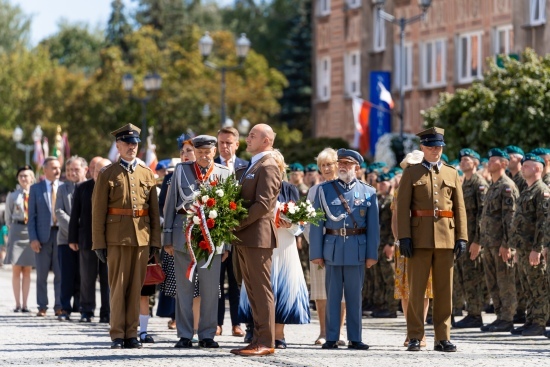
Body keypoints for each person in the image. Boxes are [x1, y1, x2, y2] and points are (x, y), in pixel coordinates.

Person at [396, 127, 467, 353]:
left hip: (446, 237)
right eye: (431, 147)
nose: (435, 151)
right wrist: (404, 237)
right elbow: (402, 208)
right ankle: (415, 336)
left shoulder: (451, 173)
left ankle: (442, 337)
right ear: (422, 148)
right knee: (417, 290)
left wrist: (462, 236)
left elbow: (460, 208)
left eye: (438, 147)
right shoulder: (411, 173)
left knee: (444, 291)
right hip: (419, 238)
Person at [92, 123, 161, 349]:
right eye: (127, 143)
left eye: (135, 144)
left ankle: (132, 333)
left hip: (141, 237)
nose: (132, 147)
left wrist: (155, 242)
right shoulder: (107, 174)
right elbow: (98, 211)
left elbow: (153, 211)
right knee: (118, 287)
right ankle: (117, 334)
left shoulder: (146, 173)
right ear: (118, 146)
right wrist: (99, 243)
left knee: (136, 288)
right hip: (116, 238)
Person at [163, 135, 231, 349]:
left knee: (211, 290)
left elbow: (230, 210)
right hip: (183, 235)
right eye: (199, 151)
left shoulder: (225, 173)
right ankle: (184, 334)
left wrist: (227, 244)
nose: (203, 155)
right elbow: (170, 204)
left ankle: (207, 335)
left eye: (207, 152)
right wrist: (167, 239)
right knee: (184, 288)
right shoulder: (181, 171)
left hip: (213, 237)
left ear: (214, 152)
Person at [238, 149, 310, 349]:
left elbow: (301, 221)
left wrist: (292, 224)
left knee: (283, 287)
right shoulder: (256, 184)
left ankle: (279, 334)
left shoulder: (290, 189)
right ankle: (256, 329)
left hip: (284, 243)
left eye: (278, 163)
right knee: (260, 287)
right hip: (263, 240)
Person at [310, 148, 379, 350]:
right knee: (332, 295)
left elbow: (374, 227)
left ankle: (355, 338)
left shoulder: (368, 192)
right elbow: (317, 224)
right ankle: (331, 337)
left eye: (348, 164)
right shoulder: (324, 190)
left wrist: (371, 254)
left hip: (357, 249)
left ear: (356, 167)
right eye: (341, 163)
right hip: (332, 248)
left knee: (354, 296)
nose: (343, 167)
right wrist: (316, 252)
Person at [229, 124, 282, 357]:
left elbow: (263, 205)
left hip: (257, 235)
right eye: (248, 134)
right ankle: (257, 338)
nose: (247, 139)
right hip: (246, 236)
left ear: (266, 140)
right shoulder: (253, 164)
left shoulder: (268, 165)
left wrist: (236, 224)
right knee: (251, 289)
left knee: (261, 290)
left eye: (253, 135)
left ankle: (266, 341)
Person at [303, 148, 348, 346]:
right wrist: (315, 245)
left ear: (338, 165)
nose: (326, 168)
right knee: (321, 291)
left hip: (343, 246)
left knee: (343, 291)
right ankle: (323, 331)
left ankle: (338, 332)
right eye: (322, 165)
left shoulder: (348, 187)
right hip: (321, 246)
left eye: (329, 164)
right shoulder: (314, 191)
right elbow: (306, 221)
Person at [392, 150, 433, 348]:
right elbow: (395, 218)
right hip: (405, 244)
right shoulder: (399, 187)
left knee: (424, 289)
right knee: (406, 291)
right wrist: (399, 240)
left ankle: (420, 331)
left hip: (424, 242)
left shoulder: (428, 184)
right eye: (409, 166)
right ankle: (411, 331)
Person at [508, 153, 550, 336]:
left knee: (538, 285)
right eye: (523, 164)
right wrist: (517, 248)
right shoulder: (526, 190)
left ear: (538, 169)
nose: (523, 167)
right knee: (527, 286)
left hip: (533, 248)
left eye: (527, 165)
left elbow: (542, 222)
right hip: (523, 248)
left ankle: (539, 322)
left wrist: (537, 249)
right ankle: (531, 319)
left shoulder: (541, 190)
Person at [479, 148, 519, 333]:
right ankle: (499, 315)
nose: (489, 162)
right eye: (489, 159)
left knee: (505, 282)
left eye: (493, 159)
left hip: (500, 245)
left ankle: (507, 318)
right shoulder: (492, 186)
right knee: (493, 281)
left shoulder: (506, 186)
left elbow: (510, 218)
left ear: (504, 163)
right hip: (488, 243)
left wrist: (507, 244)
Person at [214, 126, 248, 338]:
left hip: (240, 232)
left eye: (228, 142)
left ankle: (237, 323)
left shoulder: (247, 167)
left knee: (237, 280)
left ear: (237, 144)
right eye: (221, 143)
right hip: (216, 232)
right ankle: (216, 323)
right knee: (216, 281)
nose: (224, 147)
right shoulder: (211, 165)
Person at [69, 158, 111, 323]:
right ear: (92, 171)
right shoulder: (82, 188)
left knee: (107, 278)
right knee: (87, 277)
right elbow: (75, 215)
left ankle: (107, 312)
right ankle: (86, 310)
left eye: (104, 170)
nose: (99, 173)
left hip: (109, 241)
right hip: (87, 240)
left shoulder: (114, 188)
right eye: (96, 170)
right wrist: (72, 238)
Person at [28, 156, 63, 317]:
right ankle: (42, 306)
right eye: (53, 168)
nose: (57, 170)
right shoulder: (36, 189)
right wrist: (33, 238)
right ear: (45, 170)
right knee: (41, 274)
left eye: (58, 167)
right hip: (42, 237)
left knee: (60, 273)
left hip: (61, 235)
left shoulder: (64, 187)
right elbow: (32, 217)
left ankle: (59, 306)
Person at [56, 156, 88, 321]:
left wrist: (81, 232)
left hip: (85, 240)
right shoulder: (62, 189)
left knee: (84, 276)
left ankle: (83, 308)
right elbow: (59, 212)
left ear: (85, 170)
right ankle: (65, 308)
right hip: (65, 239)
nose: (72, 173)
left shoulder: (90, 187)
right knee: (66, 276)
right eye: (69, 170)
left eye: (76, 169)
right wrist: (75, 230)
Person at [4, 166, 36, 312]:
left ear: (32, 178)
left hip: (31, 231)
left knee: (27, 270)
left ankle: (25, 304)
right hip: (17, 231)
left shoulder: (35, 194)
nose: (23, 178)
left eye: (26, 175)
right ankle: (17, 304)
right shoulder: (13, 195)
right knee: (16, 269)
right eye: (21, 176)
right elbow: (8, 217)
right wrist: (12, 230)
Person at [371, 172, 397, 318]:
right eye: (380, 183)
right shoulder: (379, 200)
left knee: (390, 277)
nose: (382, 185)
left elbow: (394, 224)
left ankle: (392, 308)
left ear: (390, 185)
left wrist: (391, 243)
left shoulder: (391, 200)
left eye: (385, 183)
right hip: (377, 243)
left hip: (387, 243)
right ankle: (382, 305)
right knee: (379, 276)